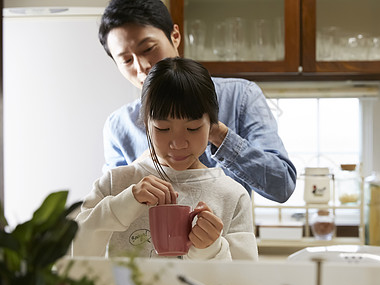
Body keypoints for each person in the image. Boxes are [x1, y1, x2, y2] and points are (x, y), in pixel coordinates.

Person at [99, 0, 297, 203]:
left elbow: (282, 187)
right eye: (127, 60)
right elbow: (108, 207)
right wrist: (144, 165)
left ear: (175, 36)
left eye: (148, 49)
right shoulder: (119, 125)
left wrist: (218, 134)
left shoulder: (241, 96)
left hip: (228, 234)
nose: (142, 68)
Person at [72, 57, 258, 260]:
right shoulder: (114, 183)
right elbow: (77, 255)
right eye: (163, 128)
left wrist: (211, 249)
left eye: (192, 128)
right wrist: (124, 203)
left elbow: (243, 284)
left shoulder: (232, 195)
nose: (178, 143)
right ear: (145, 124)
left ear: (212, 124)